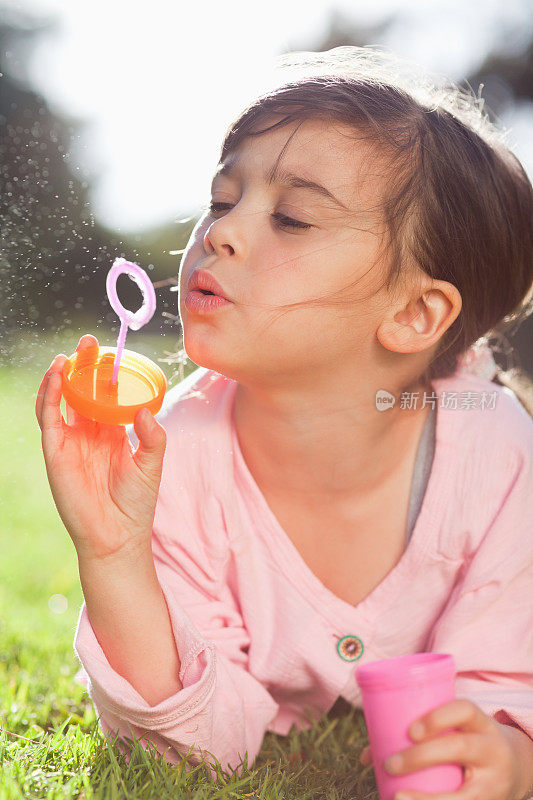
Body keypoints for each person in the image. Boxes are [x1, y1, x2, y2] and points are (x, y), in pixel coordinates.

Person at [36, 46, 533, 799]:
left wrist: (507, 749)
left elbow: (512, 677)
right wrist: (115, 555)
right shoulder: (175, 456)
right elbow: (193, 754)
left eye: (293, 218)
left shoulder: (496, 453)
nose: (221, 233)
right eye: (222, 199)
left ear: (413, 312)